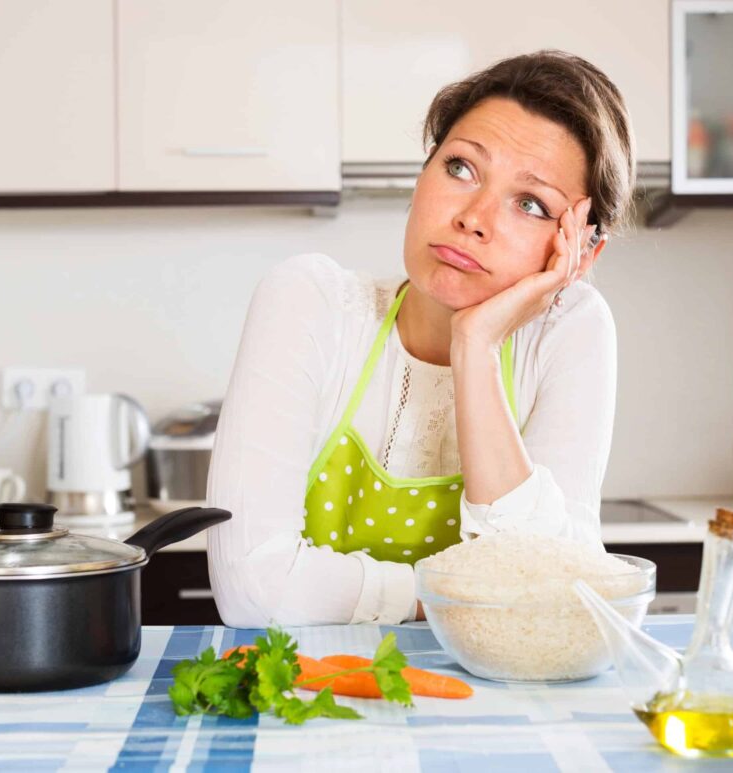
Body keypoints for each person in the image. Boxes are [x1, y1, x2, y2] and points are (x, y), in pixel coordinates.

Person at [207, 49, 636, 627]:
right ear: (422, 175)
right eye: (461, 168)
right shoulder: (311, 301)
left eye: (530, 204)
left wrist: (476, 348)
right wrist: (465, 594)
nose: (474, 216)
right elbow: (252, 592)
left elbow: (556, 598)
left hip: (492, 709)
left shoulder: (569, 331)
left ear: (578, 254)